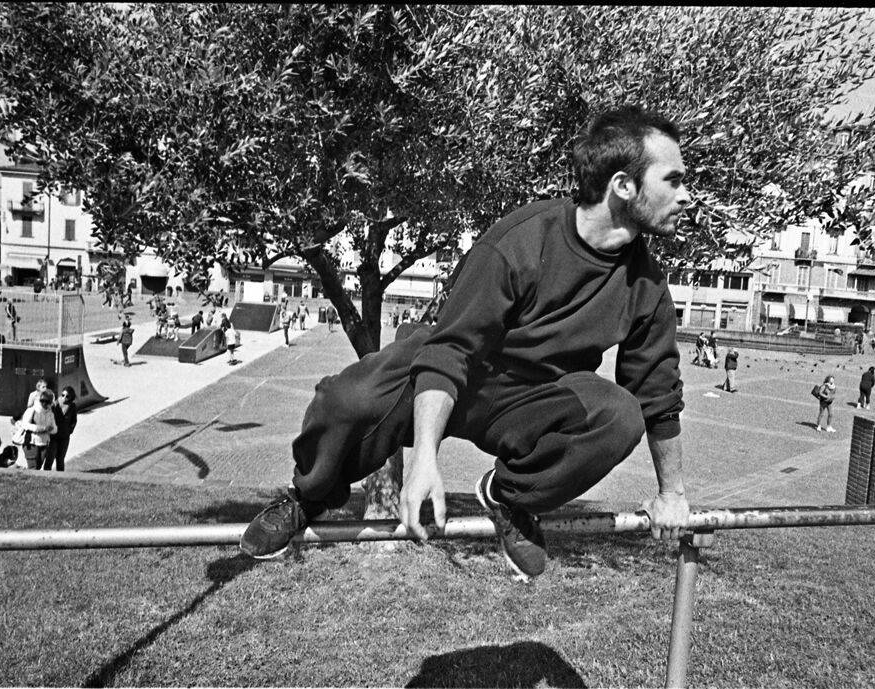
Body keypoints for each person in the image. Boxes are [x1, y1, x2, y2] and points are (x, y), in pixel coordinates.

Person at [239, 105, 692, 578]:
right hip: (445, 369)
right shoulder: (520, 243)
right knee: (346, 400)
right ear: (623, 185)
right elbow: (450, 351)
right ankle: (307, 496)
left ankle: (508, 498)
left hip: (527, 400)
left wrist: (671, 494)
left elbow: (656, 393)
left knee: (618, 415)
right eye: (673, 180)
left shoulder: (647, 286)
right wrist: (424, 462)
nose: (686, 196)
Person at [19, 389, 57, 470]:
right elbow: (25, 425)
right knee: (33, 467)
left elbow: (54, 429)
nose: (44, 403)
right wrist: (42, 428)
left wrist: (50, 429)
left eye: (47, 401)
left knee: (38, 467)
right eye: (42, 401)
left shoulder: (50, 413)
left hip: (44, 443)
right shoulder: (32, 410)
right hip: (31, 443)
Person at [44, 386, 78, 471]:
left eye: (67, 396)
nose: (64, 398)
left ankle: (60, 476)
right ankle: (45, 475)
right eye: (63, 395)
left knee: (60, 459)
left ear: (71, 397)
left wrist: (69, 431)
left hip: (64, 437)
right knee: (50, 458)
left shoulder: (72, 406)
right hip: (53, 436)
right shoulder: (55, 404)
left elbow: (74, 421)